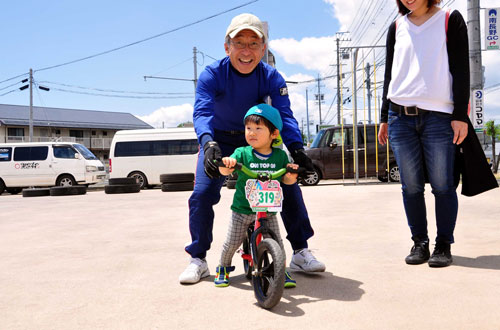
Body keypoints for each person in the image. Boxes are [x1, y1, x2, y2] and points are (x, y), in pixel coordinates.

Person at [179, 13, 325, 284]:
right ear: (227, 47)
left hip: (259, 138)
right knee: (202, 194)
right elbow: (202, 112)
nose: (246, 51)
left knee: (288, 183)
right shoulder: (212, 75)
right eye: (239, 43)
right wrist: (208, 142)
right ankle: (197, 258)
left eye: (254, 44)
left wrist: (297, 149)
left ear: (263, 48)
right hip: (220, 140)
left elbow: (285, 115)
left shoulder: (271, 76)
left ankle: (301, 250)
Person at [378, 0, 469, 267]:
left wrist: (460, 116)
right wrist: (384, 116)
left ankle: (443, 244)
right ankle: (420, 242)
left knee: (443, 185)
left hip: (439, 117)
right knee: (411, 187)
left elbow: (462, 70)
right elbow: (389, 74)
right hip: (399, 116)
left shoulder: (449, 19)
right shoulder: (397, 26)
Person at [215, 104, 298, 288]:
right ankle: (223, 267)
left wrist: (291, 175)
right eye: (248, 128)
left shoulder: (280, 156)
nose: (252, 132)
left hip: (268, 210)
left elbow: (287, 180)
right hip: (243, 209)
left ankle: (281, 269)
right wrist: (227, 163)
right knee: (232, 242)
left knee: (277, 241)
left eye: (258, 128)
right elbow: (223, 170)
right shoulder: (242, 153)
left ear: (274, 134)